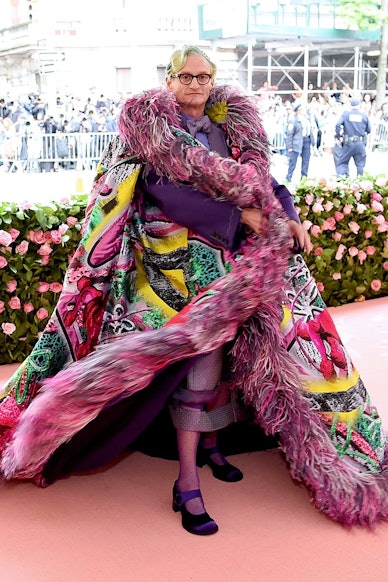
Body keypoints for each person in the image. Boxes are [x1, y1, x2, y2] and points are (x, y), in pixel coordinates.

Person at [1, 46, 387, 535]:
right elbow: (163, 193)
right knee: (197, 367)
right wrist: (235, 217)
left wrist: (288, 218)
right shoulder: (150, 130)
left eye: (204, 77)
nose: (196, 85)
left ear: (214, 81)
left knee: (240, 359)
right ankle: (186, 483)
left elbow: (265, 182)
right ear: (169, 79)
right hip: (178, 273)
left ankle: (213, 447)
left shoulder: (234, 128)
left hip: (243, 265)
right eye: (186, 76)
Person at [334, 97, 371, 177]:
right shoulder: (364, 116)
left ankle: (341, 182)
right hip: (360, 142)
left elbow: (338, 125)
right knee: (360, 165)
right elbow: (369, 130)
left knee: (342, 163)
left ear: (351, 105)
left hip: (348, 142)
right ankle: (360, 183)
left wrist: (338, 136)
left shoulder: (346, 115)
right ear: (359, 105)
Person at [285, 102, 316, 183]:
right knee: (293, 162)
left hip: (306, 141)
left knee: (306, 161)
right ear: (298, 110)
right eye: (302, 109)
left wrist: (313, 142)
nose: (304, 111)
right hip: (297, 142)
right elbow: (289, 134)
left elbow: (310, 131)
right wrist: (289, 146)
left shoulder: (306, 119)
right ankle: (288, 178)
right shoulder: (293, 120)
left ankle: (304, 178)